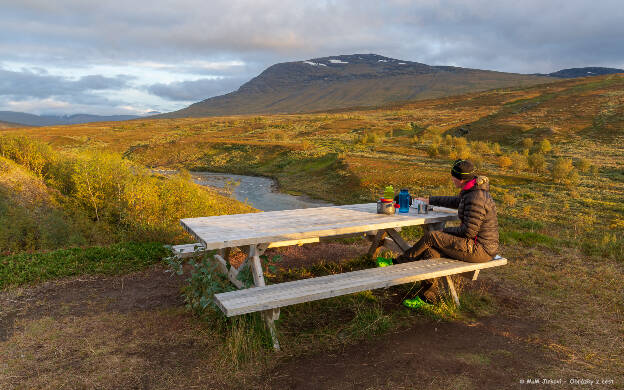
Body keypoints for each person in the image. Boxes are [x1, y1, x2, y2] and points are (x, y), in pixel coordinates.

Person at [397, 159, 499, 304]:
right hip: (474, 245)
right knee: (431, 252)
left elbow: (468, 232)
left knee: (432, 237)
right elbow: (454, 201)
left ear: (461, 179)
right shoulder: (472, 191)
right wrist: (429, 200)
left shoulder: (476, 198)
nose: (451, 179)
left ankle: (400, 262)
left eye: (453, 177)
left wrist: (443, 233)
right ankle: (428, 297)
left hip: (480, 250)